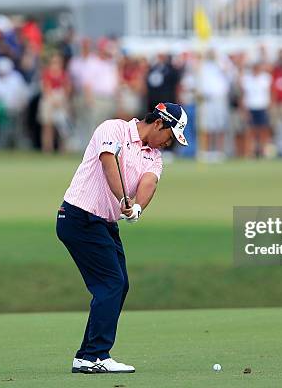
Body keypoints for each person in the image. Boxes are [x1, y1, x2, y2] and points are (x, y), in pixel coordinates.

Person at [56, 102, 188, 374]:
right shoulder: (114, 128)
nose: (169, 144)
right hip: (79, 217)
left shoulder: (154, 156)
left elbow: (149, 182)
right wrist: (123, 199)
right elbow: (108, 163)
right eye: (170, 137)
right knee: (111, 282)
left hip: (103, 223)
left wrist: (137, 207)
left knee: (120, 283)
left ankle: (88, 354)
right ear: (160, 123)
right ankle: (94, 356)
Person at [39, 53, 71, 153]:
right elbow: (46, 87)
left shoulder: (63, 74)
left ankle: (63, 148)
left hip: (60, 99)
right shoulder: (47, 73)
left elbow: (67, 88)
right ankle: (48, 148)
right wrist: (52, 99)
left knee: (62, 126)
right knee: (48, 125)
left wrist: (62, 99)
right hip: (50, 99)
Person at [241, 61, 272, 158]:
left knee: (263, 130)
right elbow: (243, 95)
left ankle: (263, 151)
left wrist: (270, 107)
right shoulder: (246, 79)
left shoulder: (266, 78)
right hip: (251, 107)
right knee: (251, 130)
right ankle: (250, 152)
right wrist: (244, 110)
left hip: (262, 106)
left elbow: (270, 92)